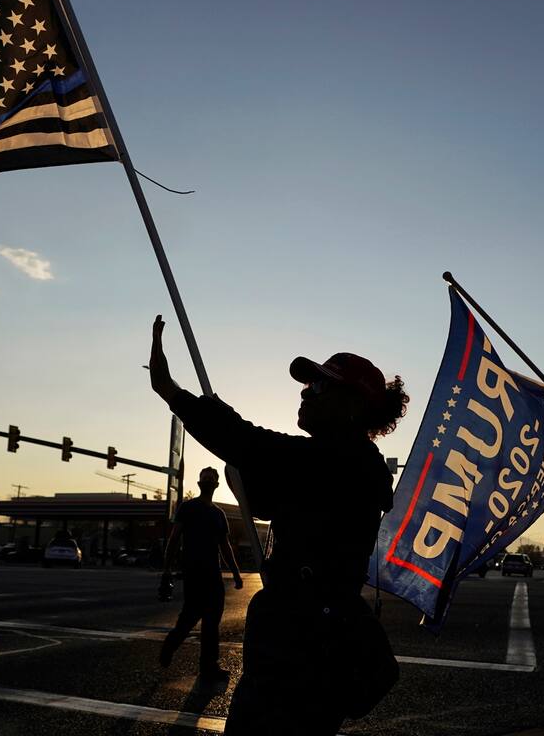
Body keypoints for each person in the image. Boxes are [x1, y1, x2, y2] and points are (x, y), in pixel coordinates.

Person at [148, 315, 408, 735]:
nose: (306, 394)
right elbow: (266, 495)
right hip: (299, 644)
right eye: (307, 386)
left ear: (354, 405)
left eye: (320, 386)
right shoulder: (336, 465)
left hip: (303, 654)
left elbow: (249, 443)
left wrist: (174, 393)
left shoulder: (342, 462)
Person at [159, 466, 244, 682]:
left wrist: (235, 573)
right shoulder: (188, 508)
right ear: (199, 484)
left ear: (216, 485)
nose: (207, 482)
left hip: (213, 574)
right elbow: (174, 538)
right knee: (190, 616)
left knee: (211, 621)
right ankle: (171, 644)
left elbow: (225, 547)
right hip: (194, 572)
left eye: (211, 479)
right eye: (204, 479)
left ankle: (208, 666)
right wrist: (166, 569)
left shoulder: (218, 514)